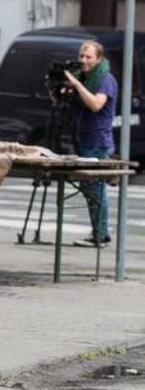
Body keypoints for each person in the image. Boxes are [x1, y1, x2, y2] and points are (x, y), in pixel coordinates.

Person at [64, 40, 117, 247]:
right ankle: (98, 231)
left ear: (99, 59)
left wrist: (77, 85)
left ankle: (101, 234)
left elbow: (96, 104)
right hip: (86, 139)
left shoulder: (105, 79)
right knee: (91, 190)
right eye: (81, 56)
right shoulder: (85, 78)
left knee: (96, 190)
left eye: (88, 57)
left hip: (99, 141)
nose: (83, 60)